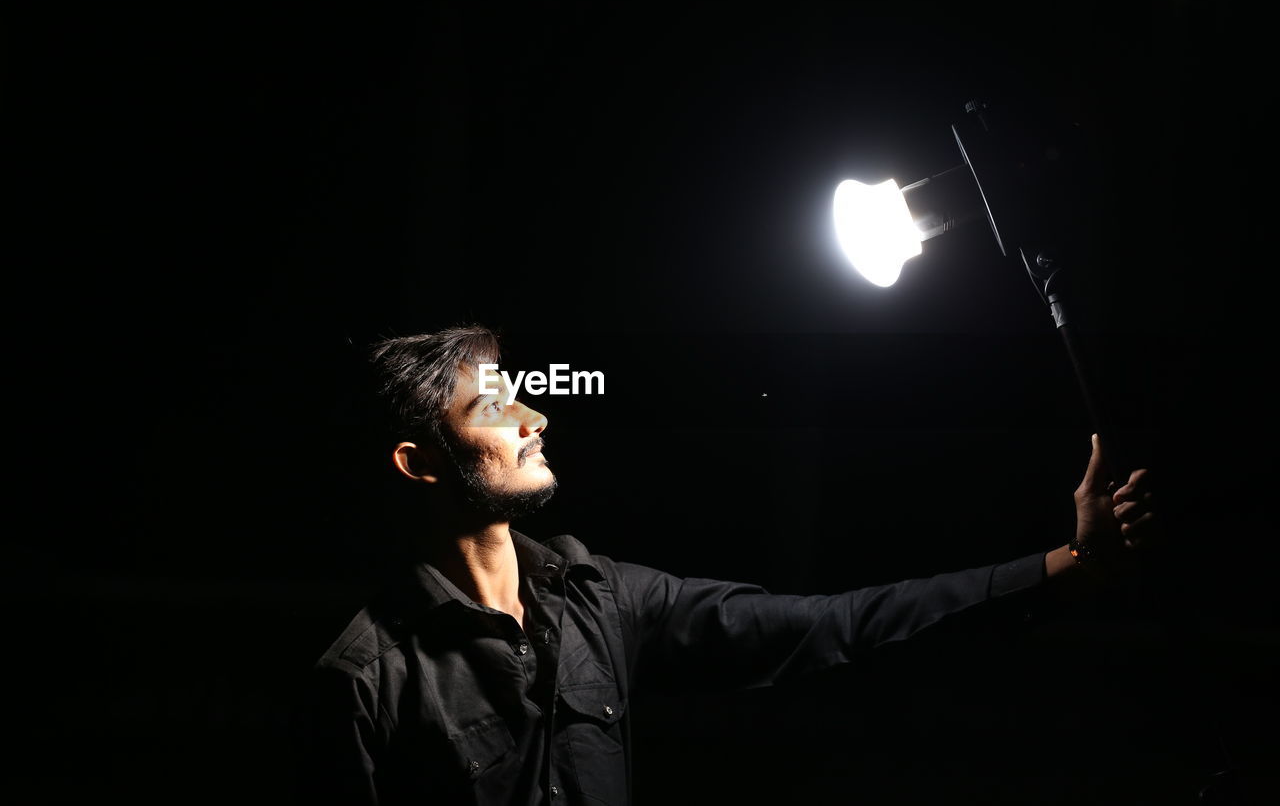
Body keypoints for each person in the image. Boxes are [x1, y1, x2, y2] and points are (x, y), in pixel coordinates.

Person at [297, 325, 1156, 805]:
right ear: (420, 463)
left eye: (523, 391)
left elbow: (835, 625)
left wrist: (1068, 567)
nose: (534, 417)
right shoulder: (366, 678)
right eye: (492, 403)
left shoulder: (604, 600)